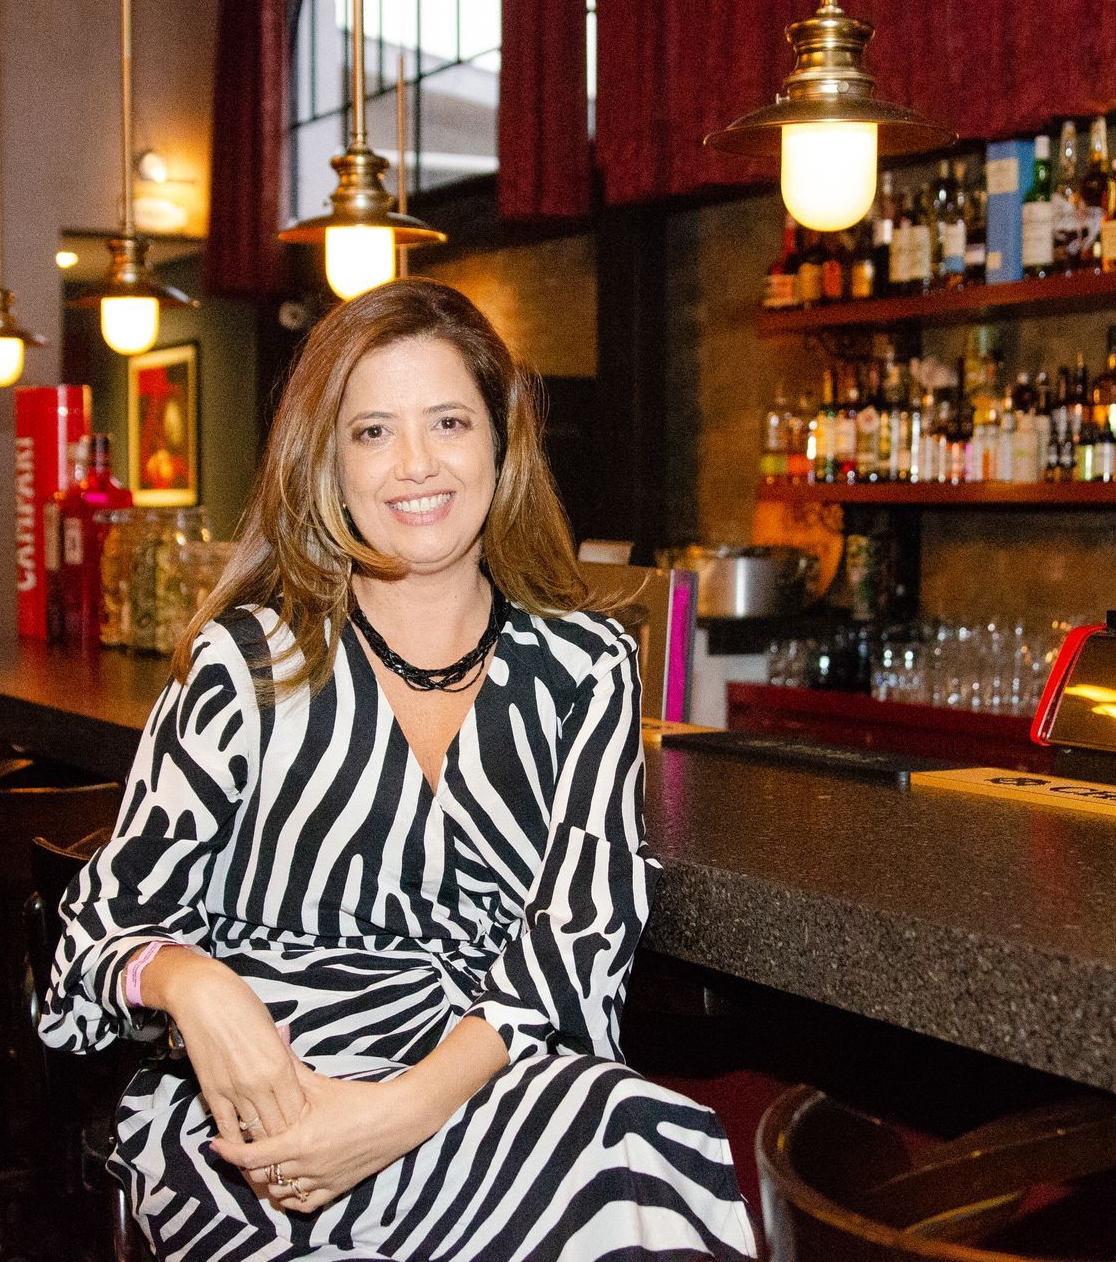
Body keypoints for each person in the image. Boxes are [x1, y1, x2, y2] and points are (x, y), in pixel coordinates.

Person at [40, 280, 757, 1260]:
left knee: (631, 1136)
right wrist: (195, 984)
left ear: (501, 443)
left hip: (479, 1086)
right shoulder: (248, 661)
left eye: (449, 422)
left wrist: (394, 1117)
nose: (416, 464)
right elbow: (93, 936)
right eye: (373, 432)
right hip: (267, 1110)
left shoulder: (586, 665)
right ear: (328, 463)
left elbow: (577, 941)